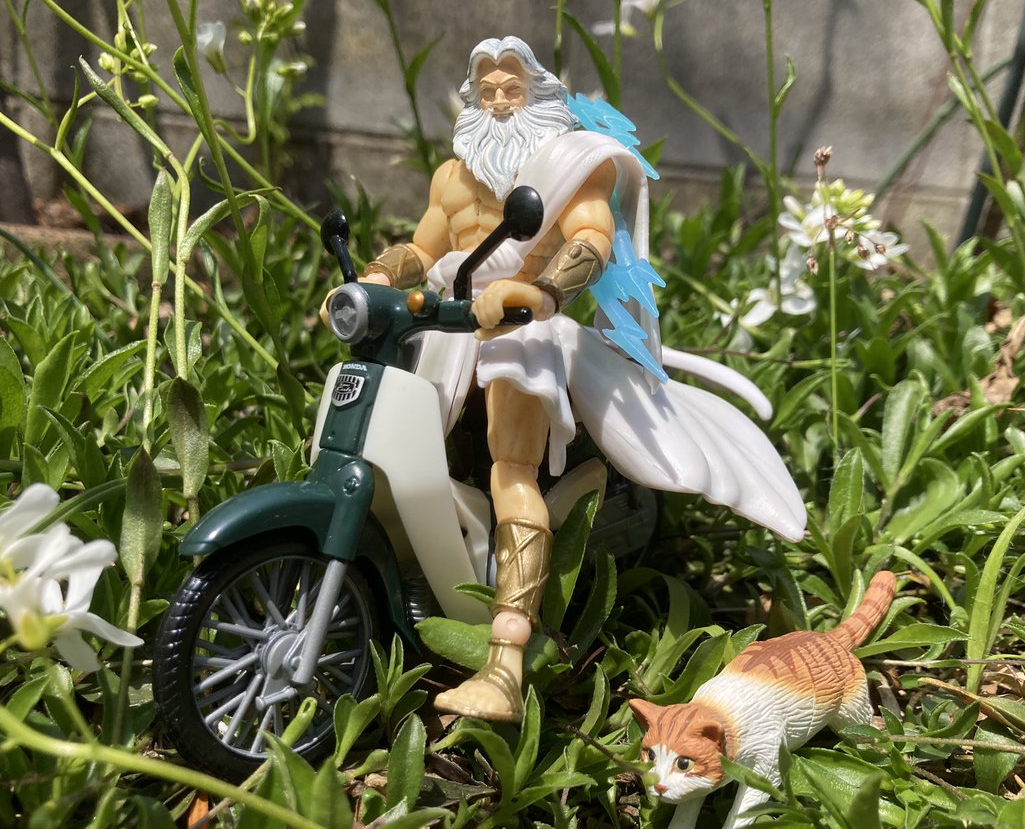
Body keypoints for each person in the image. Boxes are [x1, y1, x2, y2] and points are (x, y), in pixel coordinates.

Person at [333, 36, 806, 723]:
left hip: (524, 331)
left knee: (512, 474)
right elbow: (423, 245)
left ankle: (505, 665)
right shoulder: (452, 177)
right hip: (445, 327)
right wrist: (375, 276)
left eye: (512, 89)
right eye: (487, 91)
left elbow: (590, 239)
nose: (500, 102)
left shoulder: (573, 164)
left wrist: (544, 292)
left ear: (539, 95)